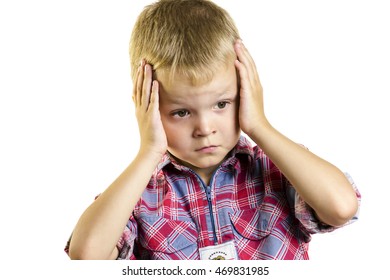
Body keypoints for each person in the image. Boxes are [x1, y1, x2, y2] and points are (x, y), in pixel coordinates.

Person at [65, 0, 360, 260]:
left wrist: (259, 125)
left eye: (221, 104)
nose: (205, 128)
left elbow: (341, 207)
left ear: (245, 92)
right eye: (181, 112)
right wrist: (148, 153)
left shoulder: (276, 169)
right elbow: (87, 256)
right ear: (146, 106)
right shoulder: (137, 195)